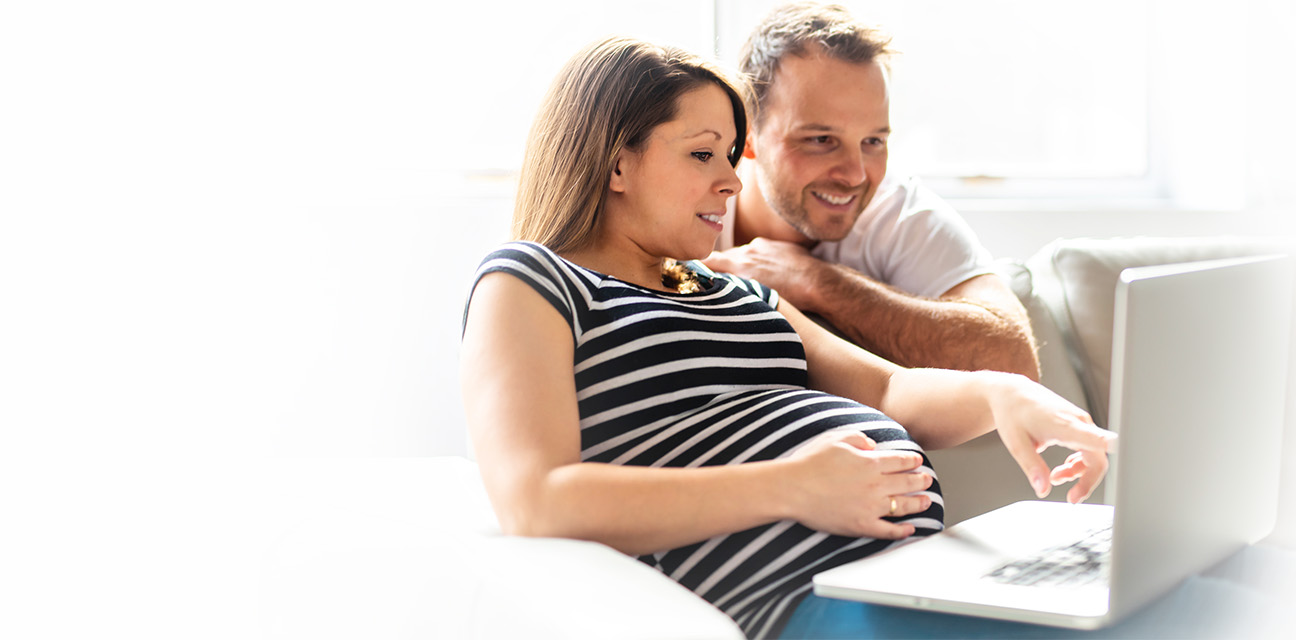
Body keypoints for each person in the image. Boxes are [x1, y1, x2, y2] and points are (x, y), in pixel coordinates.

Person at [459, 37, 1116, 639]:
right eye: (700, 153)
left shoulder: (735, 289)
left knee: (1166, 596)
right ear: (616, 163)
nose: (730, 180)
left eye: (727, 155)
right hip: (798, 605)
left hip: (908, 577)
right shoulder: (531, 280)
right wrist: (793, 486)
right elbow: (536, 500)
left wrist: (1000, 395)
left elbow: (890, 387)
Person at [702, 2, 1040, 379]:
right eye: (820, 139)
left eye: (873, 141)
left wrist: (819, 282)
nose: (856, 175)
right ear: (746, 134)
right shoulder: (684, 202)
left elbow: (1016, 362)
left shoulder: (897, 211)